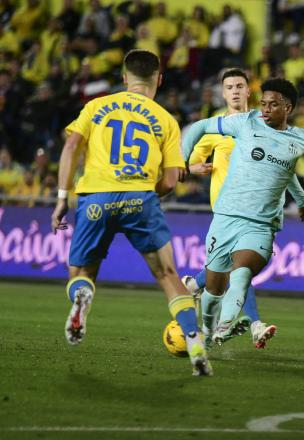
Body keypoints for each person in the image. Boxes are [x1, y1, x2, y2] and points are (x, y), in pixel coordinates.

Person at [50, 49, 212, 376]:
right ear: (159, 79)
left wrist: (62, 197)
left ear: (125, 78)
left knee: (81, 274)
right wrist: (143, 196)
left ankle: (82, 300)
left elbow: (70, 147)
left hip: (95, 198)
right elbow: (168, 181)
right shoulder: (166, 119)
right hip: (140, 197)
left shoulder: (95, 106)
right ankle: (195, 343)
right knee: (168, 275)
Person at [181, 78, 304, 347]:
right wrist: (181, 159)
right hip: (226, 216)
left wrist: (302, 200)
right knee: (214, 289)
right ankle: (207, 330)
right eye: (263, 103)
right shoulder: (244, 122)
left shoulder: (299, 139)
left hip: (261, 223)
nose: (265, 109)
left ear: (288, 107)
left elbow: (284, 171)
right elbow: (200, 126)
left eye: (273, 105)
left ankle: (225, 325)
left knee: (242, 271)